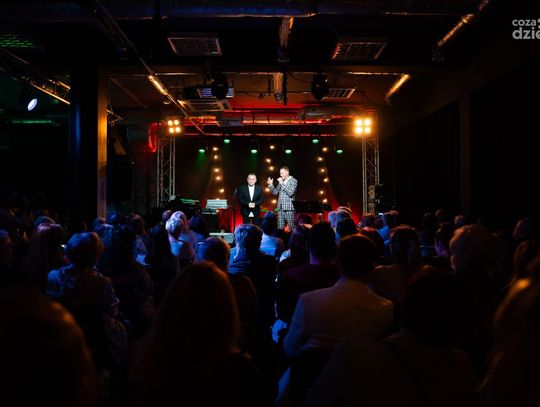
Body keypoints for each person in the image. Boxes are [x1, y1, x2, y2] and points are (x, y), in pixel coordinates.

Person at [267, 166, 297, 231]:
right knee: (280, 227)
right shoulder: (281, 181)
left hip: (288, 207)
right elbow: (275, 192)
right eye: (280, 173)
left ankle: (293, 237)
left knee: (291, 226)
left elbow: (290, 193)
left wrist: (282, 183)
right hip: (280, 207)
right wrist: (271, 185)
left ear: (287, 172)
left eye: (282, 173)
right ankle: (281, 237)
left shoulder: (293, 181)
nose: (280, 175)